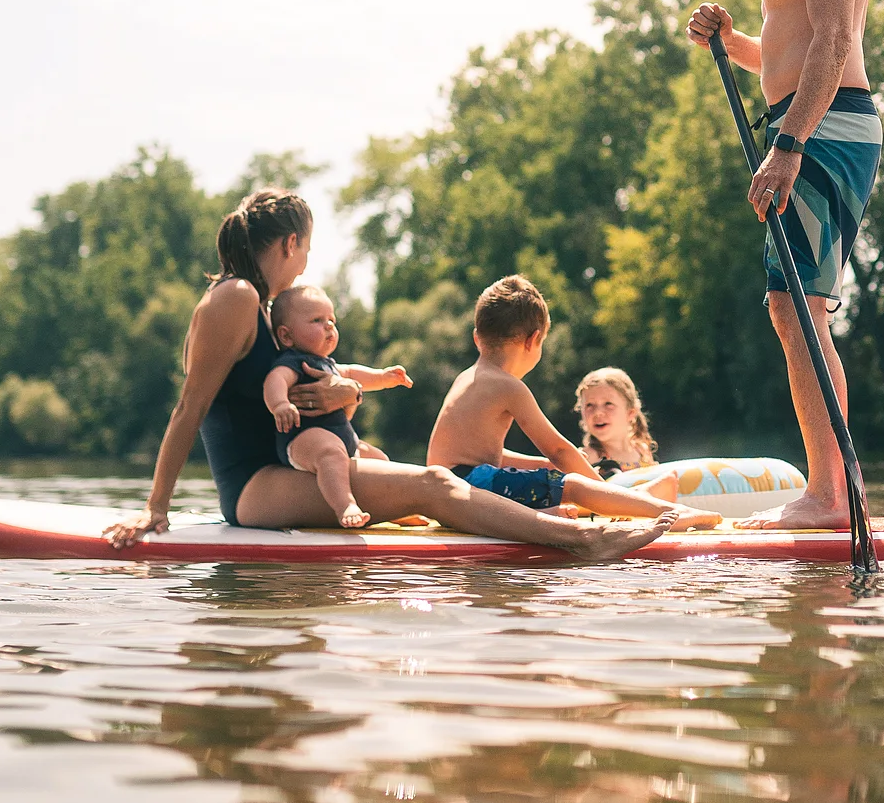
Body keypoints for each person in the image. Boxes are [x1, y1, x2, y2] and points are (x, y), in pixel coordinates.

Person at [105, 190, 669, 561]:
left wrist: (342, 392)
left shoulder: (258, 308)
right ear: (290, 243)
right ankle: (581, 539)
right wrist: (158, 508)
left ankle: (515, 517)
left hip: (281, 472)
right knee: (435, 483)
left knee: (390, 467)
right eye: (306, 247)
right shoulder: (236, 295)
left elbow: (282, 405)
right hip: (255, 488)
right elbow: (191, 407)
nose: (306, 260)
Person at [686, 0, 881, 531]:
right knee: (796, 310)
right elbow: (790, 55)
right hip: (814, 117)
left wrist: (788, 144)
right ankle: (838, 493)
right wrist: (730, 40)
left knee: (800, 312)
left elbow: (833, 43)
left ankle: (830, 499)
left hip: (823, 125)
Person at [426, 276, 720, 531]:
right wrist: (601, 492)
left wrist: (540, 464)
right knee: (573, 485)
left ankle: (548, 514)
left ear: (478, 338)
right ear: (534, 340)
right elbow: (558, 450)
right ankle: (669, 513)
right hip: (470, 487)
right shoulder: (509, 387)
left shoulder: (467, 378)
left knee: (548, 472)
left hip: (446, 492)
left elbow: (476, 452)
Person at [263, 283, 411, 529]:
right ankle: (345, 505)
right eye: (317, 320)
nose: (329, 325)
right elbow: (275, 380)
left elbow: (353, 373)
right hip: (303, 440)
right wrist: (280, 404)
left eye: (331, 319)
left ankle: (393, 508)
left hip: (344, 441)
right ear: (286, 336)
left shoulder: (328, 364)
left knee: (380, 459)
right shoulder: (292, 362)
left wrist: (383, 378)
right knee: (330, 453)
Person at [574, 367, 677, 503]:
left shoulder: (642, 450)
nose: (598, 412)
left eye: (608, 404)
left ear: (630, 413)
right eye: (589, 405)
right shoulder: (587, 457)